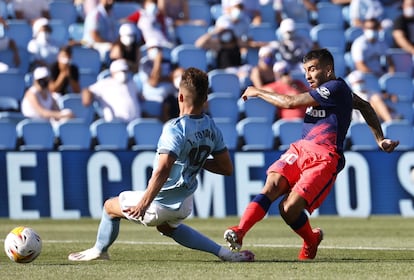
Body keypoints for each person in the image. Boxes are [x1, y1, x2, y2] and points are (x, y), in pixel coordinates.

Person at [223, 48, 399, 261]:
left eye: (313, 69)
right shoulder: (339, 91)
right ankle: (240, 232)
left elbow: (290, 103)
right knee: (271, 185)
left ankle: (311, 240)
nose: (307, 75)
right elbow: (365, 106)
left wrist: (258, 91)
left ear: (328, 69)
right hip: (301, 149)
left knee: (288, 209)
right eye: (305, 70)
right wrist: (380, 138)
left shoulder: (334, 88)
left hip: (325, 157)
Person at [68, 67, 255, 263]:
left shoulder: (175, 129)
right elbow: (226, 168)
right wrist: (196, 161)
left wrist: (144, 203)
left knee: (109, 207)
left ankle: (99, 250)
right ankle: (225, 254)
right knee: (167, 228)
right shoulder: (211, 127)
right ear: (205, 100)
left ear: (180, 97)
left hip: (159, 203)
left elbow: (163, 170)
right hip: (185, 202)